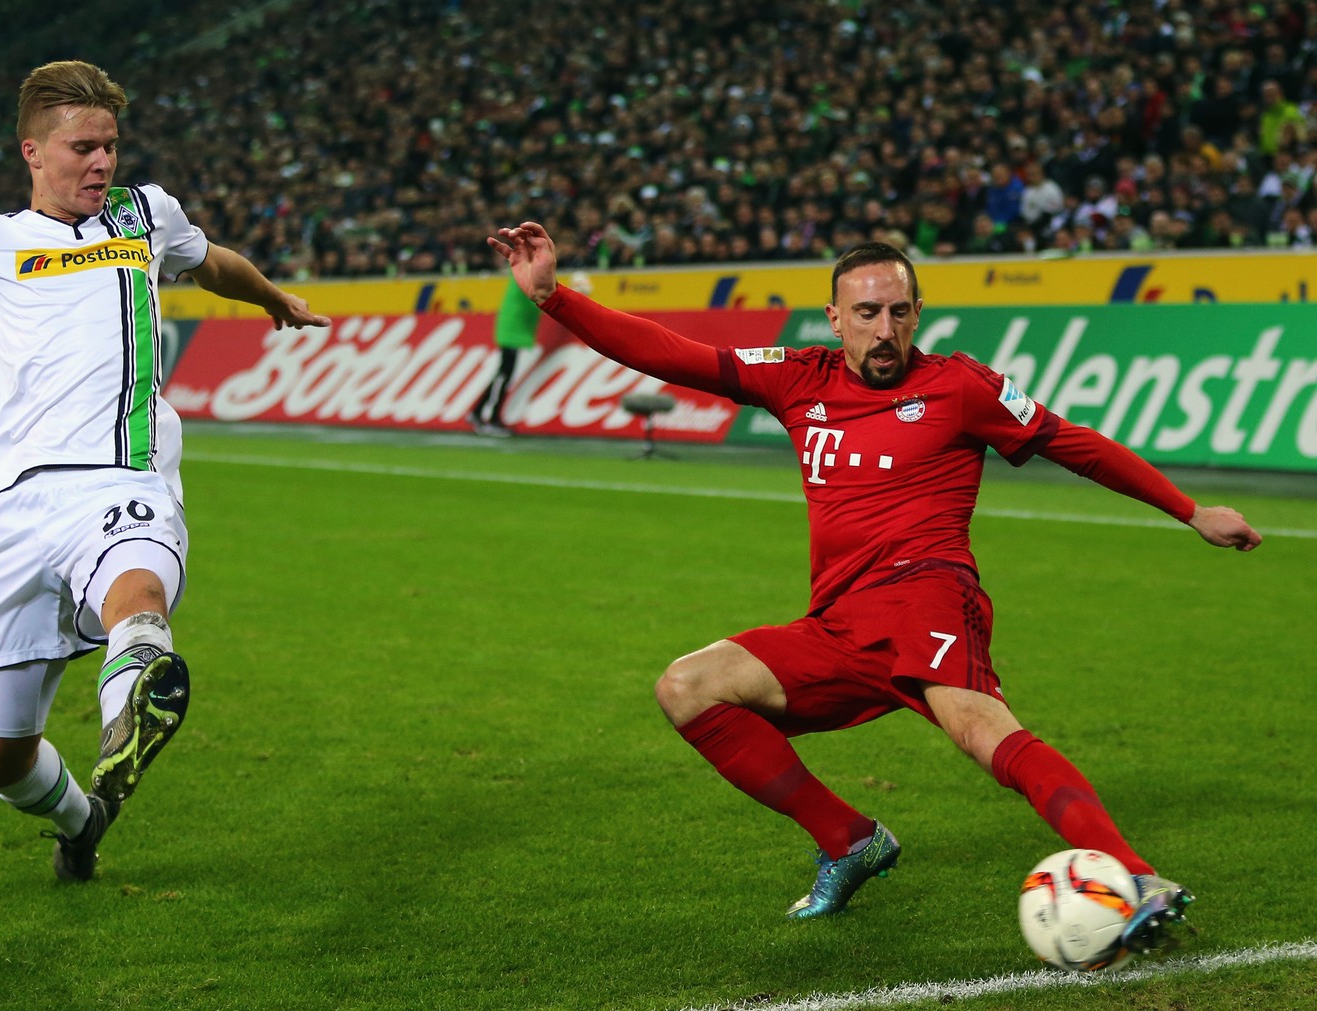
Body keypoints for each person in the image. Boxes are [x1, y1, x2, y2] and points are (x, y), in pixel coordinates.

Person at [487, 221, 1262, 951]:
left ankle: (1135, 877)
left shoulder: (961, 387)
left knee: (980, 730)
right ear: (834, 317)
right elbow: (671, 352)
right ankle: (850, 840)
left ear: (919, 312)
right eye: (865, 313)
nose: (883, 330)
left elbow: (1074, 445)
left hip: (928, 595)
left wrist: (1190, 510)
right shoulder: (797, 379)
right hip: (837, 624)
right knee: (687, 687)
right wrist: (555, 298)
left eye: (898, 312)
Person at [0, 37, 330, 881]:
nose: (101, 163)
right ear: (33, 151)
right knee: (1, 759)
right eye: (82, 148)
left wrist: (272, 296)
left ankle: (138, 687)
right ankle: (81, 818)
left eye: (110, 147)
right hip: (14, 508)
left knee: (136, 586)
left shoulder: (144, 215)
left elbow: (213, 263)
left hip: (121, 476)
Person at [467, 274, 539, 438]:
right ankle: (492, 418)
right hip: (513, 331)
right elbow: (535, 302)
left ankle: (478, 412)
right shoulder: (527, 275)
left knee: (503, 374)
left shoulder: (523, 272)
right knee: (504, 375)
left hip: (511, 330)